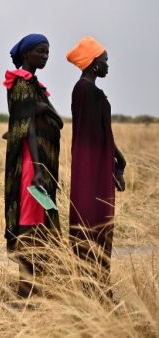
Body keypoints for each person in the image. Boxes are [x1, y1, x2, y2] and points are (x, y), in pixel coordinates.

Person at [3, 34, 63, 298]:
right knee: (29, 223)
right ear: (26, 54)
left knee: (40, 223)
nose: (45, 56)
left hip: (40, 164)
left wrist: (45, 109)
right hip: (30, 164)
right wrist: (38, 168)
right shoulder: (20, 83)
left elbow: (53, 121)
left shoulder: (34, 85)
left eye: (47, 52)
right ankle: (25, 286)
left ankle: (37, 283)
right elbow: (25, 129)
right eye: (40, 51)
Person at [66, 36, 126, 298]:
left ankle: (99, 287)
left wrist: (117, 158)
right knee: (93, 221)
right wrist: (111, 163)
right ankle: (95, 290)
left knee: (97, 221)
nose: (108, 66)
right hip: (92, 168)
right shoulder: (87, 91)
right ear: (93, 63)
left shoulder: (86, 90)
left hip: (95, 164)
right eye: (105, 61)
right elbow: (94, 135)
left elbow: (103, 134)